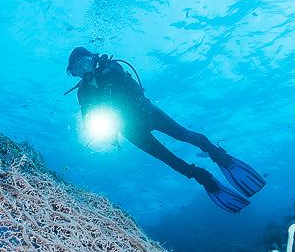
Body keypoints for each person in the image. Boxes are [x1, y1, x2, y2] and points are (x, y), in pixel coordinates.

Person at [66, 46, 265, 213]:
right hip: (130, 131)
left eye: (85, 62)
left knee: (185, 135)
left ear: (92, 59)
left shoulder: (111, 68)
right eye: (77, 68)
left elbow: (133, 87)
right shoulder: (83, 92)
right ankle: (203, 177)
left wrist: (126, 106)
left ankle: (217, 154)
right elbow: (88, 119)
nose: (84, 69)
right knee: (168, 159)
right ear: (74, 72)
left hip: (147, 113)